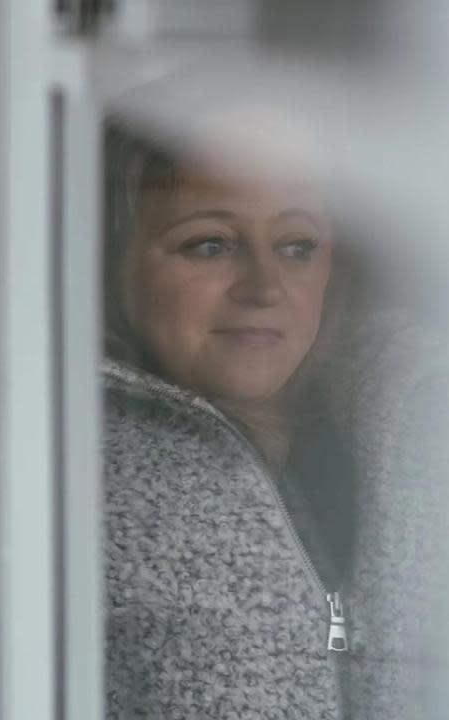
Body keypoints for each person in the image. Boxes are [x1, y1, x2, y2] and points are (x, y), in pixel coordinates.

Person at [101, 101, 449, 718]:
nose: (264, 288)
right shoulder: (65, 479)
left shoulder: (413, 441)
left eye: (296, 247)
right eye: (210, 245)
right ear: (113, 265)